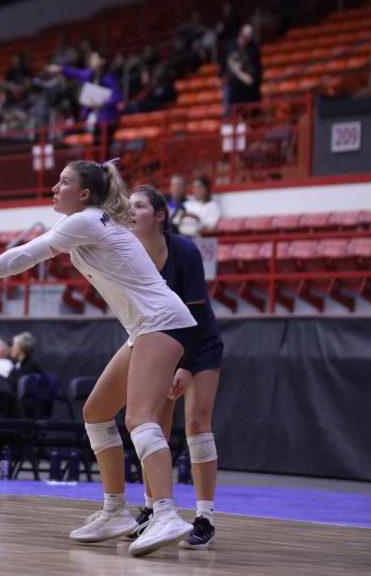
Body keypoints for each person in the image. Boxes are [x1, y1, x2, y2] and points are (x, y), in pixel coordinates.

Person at [0, 160, 197, 557]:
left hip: (161, 320)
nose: (55, 189)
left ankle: (165, 512)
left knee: (139, 417)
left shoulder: (88, 220)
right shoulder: (94, 220)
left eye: (64, 182)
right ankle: (115, 511)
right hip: (146, 327)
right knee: (95, 412)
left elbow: (25, 255)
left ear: (86, 194)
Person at [128, 185, 224, 549]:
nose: (131, 211)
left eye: (139, 205)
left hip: (198, 344)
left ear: (160, 215)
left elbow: (196, 312)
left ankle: (205, 518)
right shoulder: (129, 253)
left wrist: (183, 366)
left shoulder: (184, 250)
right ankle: (154, 509)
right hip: (157, 345)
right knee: (152, 424)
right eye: (128, 205)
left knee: (197, 424)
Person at [220, 24, 261, 116]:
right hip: (232, 86)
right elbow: (224, 63)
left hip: (246, 90)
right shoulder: (231, 46)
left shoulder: (253, 50)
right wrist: (222, 76)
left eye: (247, 37)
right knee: (229, 112)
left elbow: (253, 77)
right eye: (243, 36)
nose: (245, 39)